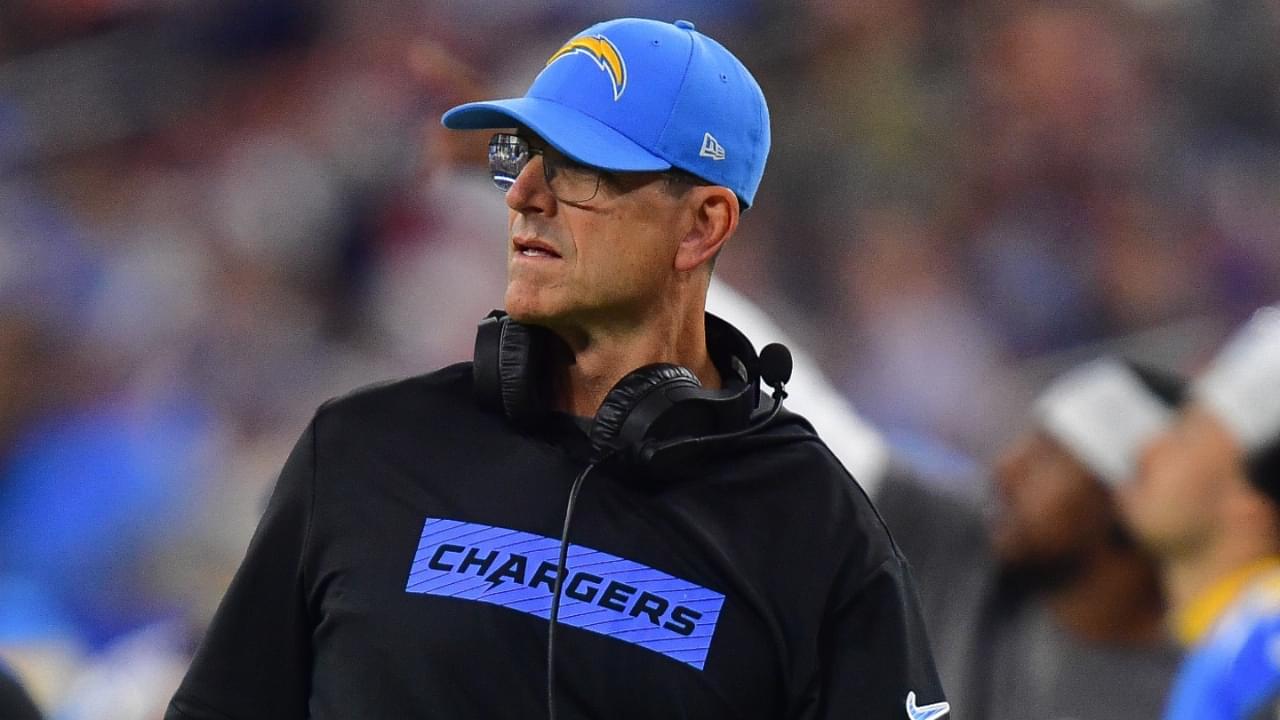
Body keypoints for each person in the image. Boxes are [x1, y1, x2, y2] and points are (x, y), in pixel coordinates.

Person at [165, 17, 946, 720]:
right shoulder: (358, 452)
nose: (523, 197)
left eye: (577, 167)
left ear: (704, 223)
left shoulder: (820, 533)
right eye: (520, 157)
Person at [875, 358, 1184, 720]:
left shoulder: (1190, 697)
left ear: (1124, 503)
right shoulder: (962, 547)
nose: (1007, 468)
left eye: (1049, 456)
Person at [1118, 305, 1280, 720]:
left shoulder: (1260, 648)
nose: (1146, 452)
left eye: (1186, 437)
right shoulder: (1215, 644)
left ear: (1251, 499)